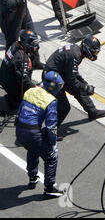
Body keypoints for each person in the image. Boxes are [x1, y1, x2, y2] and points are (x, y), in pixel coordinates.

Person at [15, 70, 65, 198]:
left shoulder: (30, 90)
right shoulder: (51, 100)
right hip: (33, 132)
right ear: (54, 87)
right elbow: (51, 126)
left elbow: (20, 110)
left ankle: (32, 178)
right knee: (51, 157)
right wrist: (53, 142)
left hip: (20, 130)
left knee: (32, 149)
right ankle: (49, 188)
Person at [44, 34, 105, 124]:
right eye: (94, 52)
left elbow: (73, 73)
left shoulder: (77, 51)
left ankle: (92, 112)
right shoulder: (75, 55)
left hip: (61, 74)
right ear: (87, 48)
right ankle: (49, 132)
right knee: (64, 107)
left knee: (80, 89)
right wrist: (86, 88)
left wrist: (84, 84)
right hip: (52, 79)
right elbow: (72, 80)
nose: (94, 55)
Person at [0, 0, 44, 68]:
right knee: (12, 43)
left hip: (24, 12)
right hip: (11, 18)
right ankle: (8, 66)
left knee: (32, 36)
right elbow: (6, 4)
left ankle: (35, 61)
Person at [0, 30, 40, 112]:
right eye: (33, 43)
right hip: (10, 85)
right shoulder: (21, 58)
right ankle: (16, 102)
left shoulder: (15, 44)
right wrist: (34, 87)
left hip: (4, 77)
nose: (35, 45)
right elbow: (23, 79)